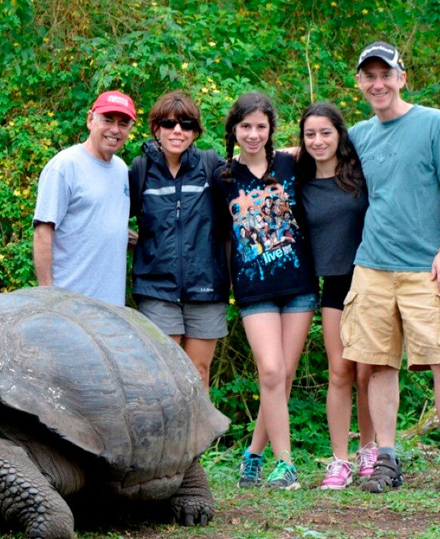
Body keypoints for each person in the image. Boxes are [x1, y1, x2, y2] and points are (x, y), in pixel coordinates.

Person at [341, 42, 440, 493]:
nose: (378, 83)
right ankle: (387, 460)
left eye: (385, 74)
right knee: (378, 366)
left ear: (402, 77)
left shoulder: (434, 123)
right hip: (373, 266)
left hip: (427, 266)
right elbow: (309, 148)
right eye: (368, 76)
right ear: (359, 83)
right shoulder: (358, 134)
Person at [212, 92, 317, 490]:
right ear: (234, 130)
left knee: (283, 377)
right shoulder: (221, 177)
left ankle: (253, 456)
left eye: (260, 126)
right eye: (245, 127)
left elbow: (327, 145)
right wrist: (225, 286)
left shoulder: (291, 163)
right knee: (271, 371)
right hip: (253, 289)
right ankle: (285, 464)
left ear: (272, 129)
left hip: (298, 285)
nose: (253, 134)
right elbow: (223, 237)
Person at [295, 102, 376, 490]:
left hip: (371, 279)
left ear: (340, 134)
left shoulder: (360, 174)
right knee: (341, 371)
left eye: (325, 132)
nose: (318, 140)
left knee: (368, 371)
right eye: (310, 134)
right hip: (333, 286)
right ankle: (339, 460)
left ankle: (371, 452)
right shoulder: (300, 180)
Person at [129, 91, 229, 389]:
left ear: (195, 131)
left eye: (186, 124)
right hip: (156, 287)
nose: (177, 131)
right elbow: (110, 217)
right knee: (164, 374)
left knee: (198, 373)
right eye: (169, 123)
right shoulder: (140, 170)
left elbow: (254, 172)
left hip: (207, 285)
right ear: (156, 128)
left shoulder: (211, 165)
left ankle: (199, 438)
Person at [33, 90, 136, 306]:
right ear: (90, 119)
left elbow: (97, 222)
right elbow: (43, 232)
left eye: (123, 123)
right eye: (107, 120)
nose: (115, 130)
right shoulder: (64, 166)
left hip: (112, 306)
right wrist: (47, 296)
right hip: (69, 304)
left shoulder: (121, 170)